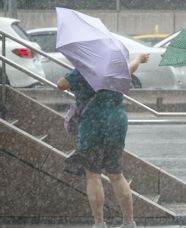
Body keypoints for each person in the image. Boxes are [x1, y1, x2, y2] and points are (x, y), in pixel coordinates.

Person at [57, 53, 149, 228]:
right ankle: (128, 222)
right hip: (116, 122)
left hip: (93, 124)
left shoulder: (83, 69)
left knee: (93, 175)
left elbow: (61, 85)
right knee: (116, 174)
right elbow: (130, 68)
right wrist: (139, 59)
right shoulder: (113, 67)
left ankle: (99, 223)